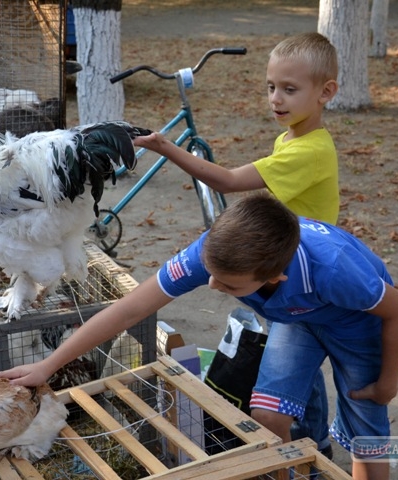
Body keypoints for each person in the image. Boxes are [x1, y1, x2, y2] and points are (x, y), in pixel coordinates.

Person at [0, 192, 398, 480]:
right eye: (210, 274)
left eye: (228, 286)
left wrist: (388, 380)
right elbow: (131, 307)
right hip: (297, 319)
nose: (211, 286)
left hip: (358, 325)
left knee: (366, 430)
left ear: (273, 277)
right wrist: (49, 364)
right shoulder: (214, 255)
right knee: (267, 416)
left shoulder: (335, 268)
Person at [134, 32, 340, 455]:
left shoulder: (309, 151)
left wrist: (165, 147)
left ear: (326, 93)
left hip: (302, 277)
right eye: (270, 87)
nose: (275, 99)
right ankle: (309, 427)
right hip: (283, 264)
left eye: (289, 89)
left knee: (299, 352)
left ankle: (315, 439)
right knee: (300, 357)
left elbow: (227, 180)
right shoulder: (293, 137)